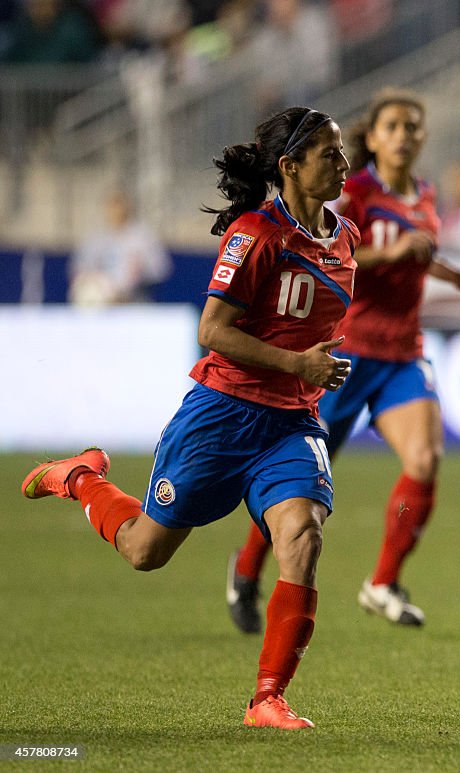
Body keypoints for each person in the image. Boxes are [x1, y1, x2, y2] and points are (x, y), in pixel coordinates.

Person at [20, 106, 357, 730]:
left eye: (342, 152)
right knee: (146, 551)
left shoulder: (345, 236)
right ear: (289, 166)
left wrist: (309, 369)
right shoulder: (256, 235)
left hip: (290, 423)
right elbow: (212, 330)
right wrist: (297, 361)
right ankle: (81, 478)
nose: (344, 164)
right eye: (330, 154)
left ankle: (267, 699)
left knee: (302, 538)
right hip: (222, 416)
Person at [227, 89, 460, 632]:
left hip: (402, 353)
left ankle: (382, 582)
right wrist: (392, 253)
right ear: (371, 138)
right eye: (392, 126)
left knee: (424, 459)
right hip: (342, 353)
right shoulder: (353, 192)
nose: (404, 135)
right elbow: (331, 248)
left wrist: (457, 278)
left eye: (413, 126)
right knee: (297, 481)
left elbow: (416, 255)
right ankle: (247, 569)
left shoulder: (424, 194)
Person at [69, 189, 172, 306]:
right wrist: (92, 279)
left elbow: (161, 269)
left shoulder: (143, 237)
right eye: (112, 205)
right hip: (101, 303)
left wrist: (143, 269)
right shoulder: (95, 238)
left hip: (135, 300)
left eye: (120, 205)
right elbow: (79, 269)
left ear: (128, 206)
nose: (116, 210)